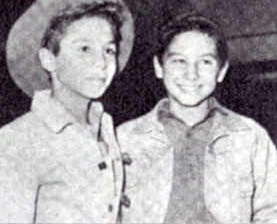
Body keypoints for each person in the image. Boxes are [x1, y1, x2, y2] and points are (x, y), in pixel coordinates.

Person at [0, 0, 134, 223]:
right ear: (49, 59)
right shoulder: (19, 139)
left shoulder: (106, 129)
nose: (101, 63)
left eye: (109, 50)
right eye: (84, 49)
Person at [117, 14, 277, 223]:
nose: (191, 74)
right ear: (158, 66)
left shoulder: (250, 137)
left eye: (205, 62)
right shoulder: (125, 139)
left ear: (221, 71)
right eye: (179, 61)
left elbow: (272, 211)